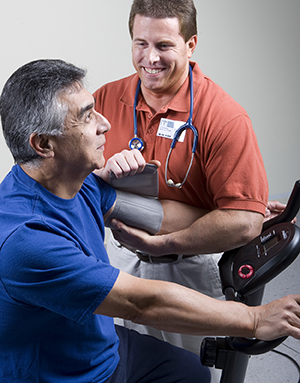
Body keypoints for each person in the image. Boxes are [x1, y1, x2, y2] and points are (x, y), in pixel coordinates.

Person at [1, 59, 300, 382]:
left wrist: (242, 216)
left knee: (192, 373)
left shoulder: (74, 178)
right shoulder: (26, 241)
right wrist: (254, 319)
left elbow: (156, 215)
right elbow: (141, 303)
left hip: (101, 343)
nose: (105, 125)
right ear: (44, 144)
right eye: (86, 116)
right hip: (63, 373)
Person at [93, 0, 285, 381]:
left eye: (164, 45)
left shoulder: (224, 117)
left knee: (183, 373)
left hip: (187, 270)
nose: (150, 58)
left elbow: (246, 223)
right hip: (118, 261)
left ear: (190, 44)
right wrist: (105, 171)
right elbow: (72, 181)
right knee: (116, 366)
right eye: (140, 43)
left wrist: (166, 243)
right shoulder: (104, 101)